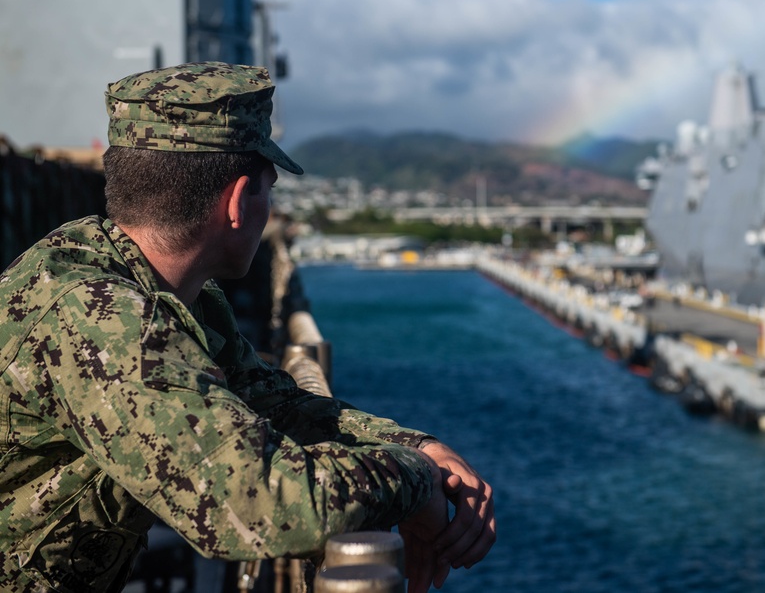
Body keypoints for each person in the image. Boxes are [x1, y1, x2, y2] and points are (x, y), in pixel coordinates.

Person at [0, 62, 495, 593]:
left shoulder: (168, 293)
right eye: (269, 191)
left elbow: (277, 405)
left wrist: (418, 447)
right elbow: (264, 504)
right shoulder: (99, 317)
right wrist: (415, 484)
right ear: (238, 202)